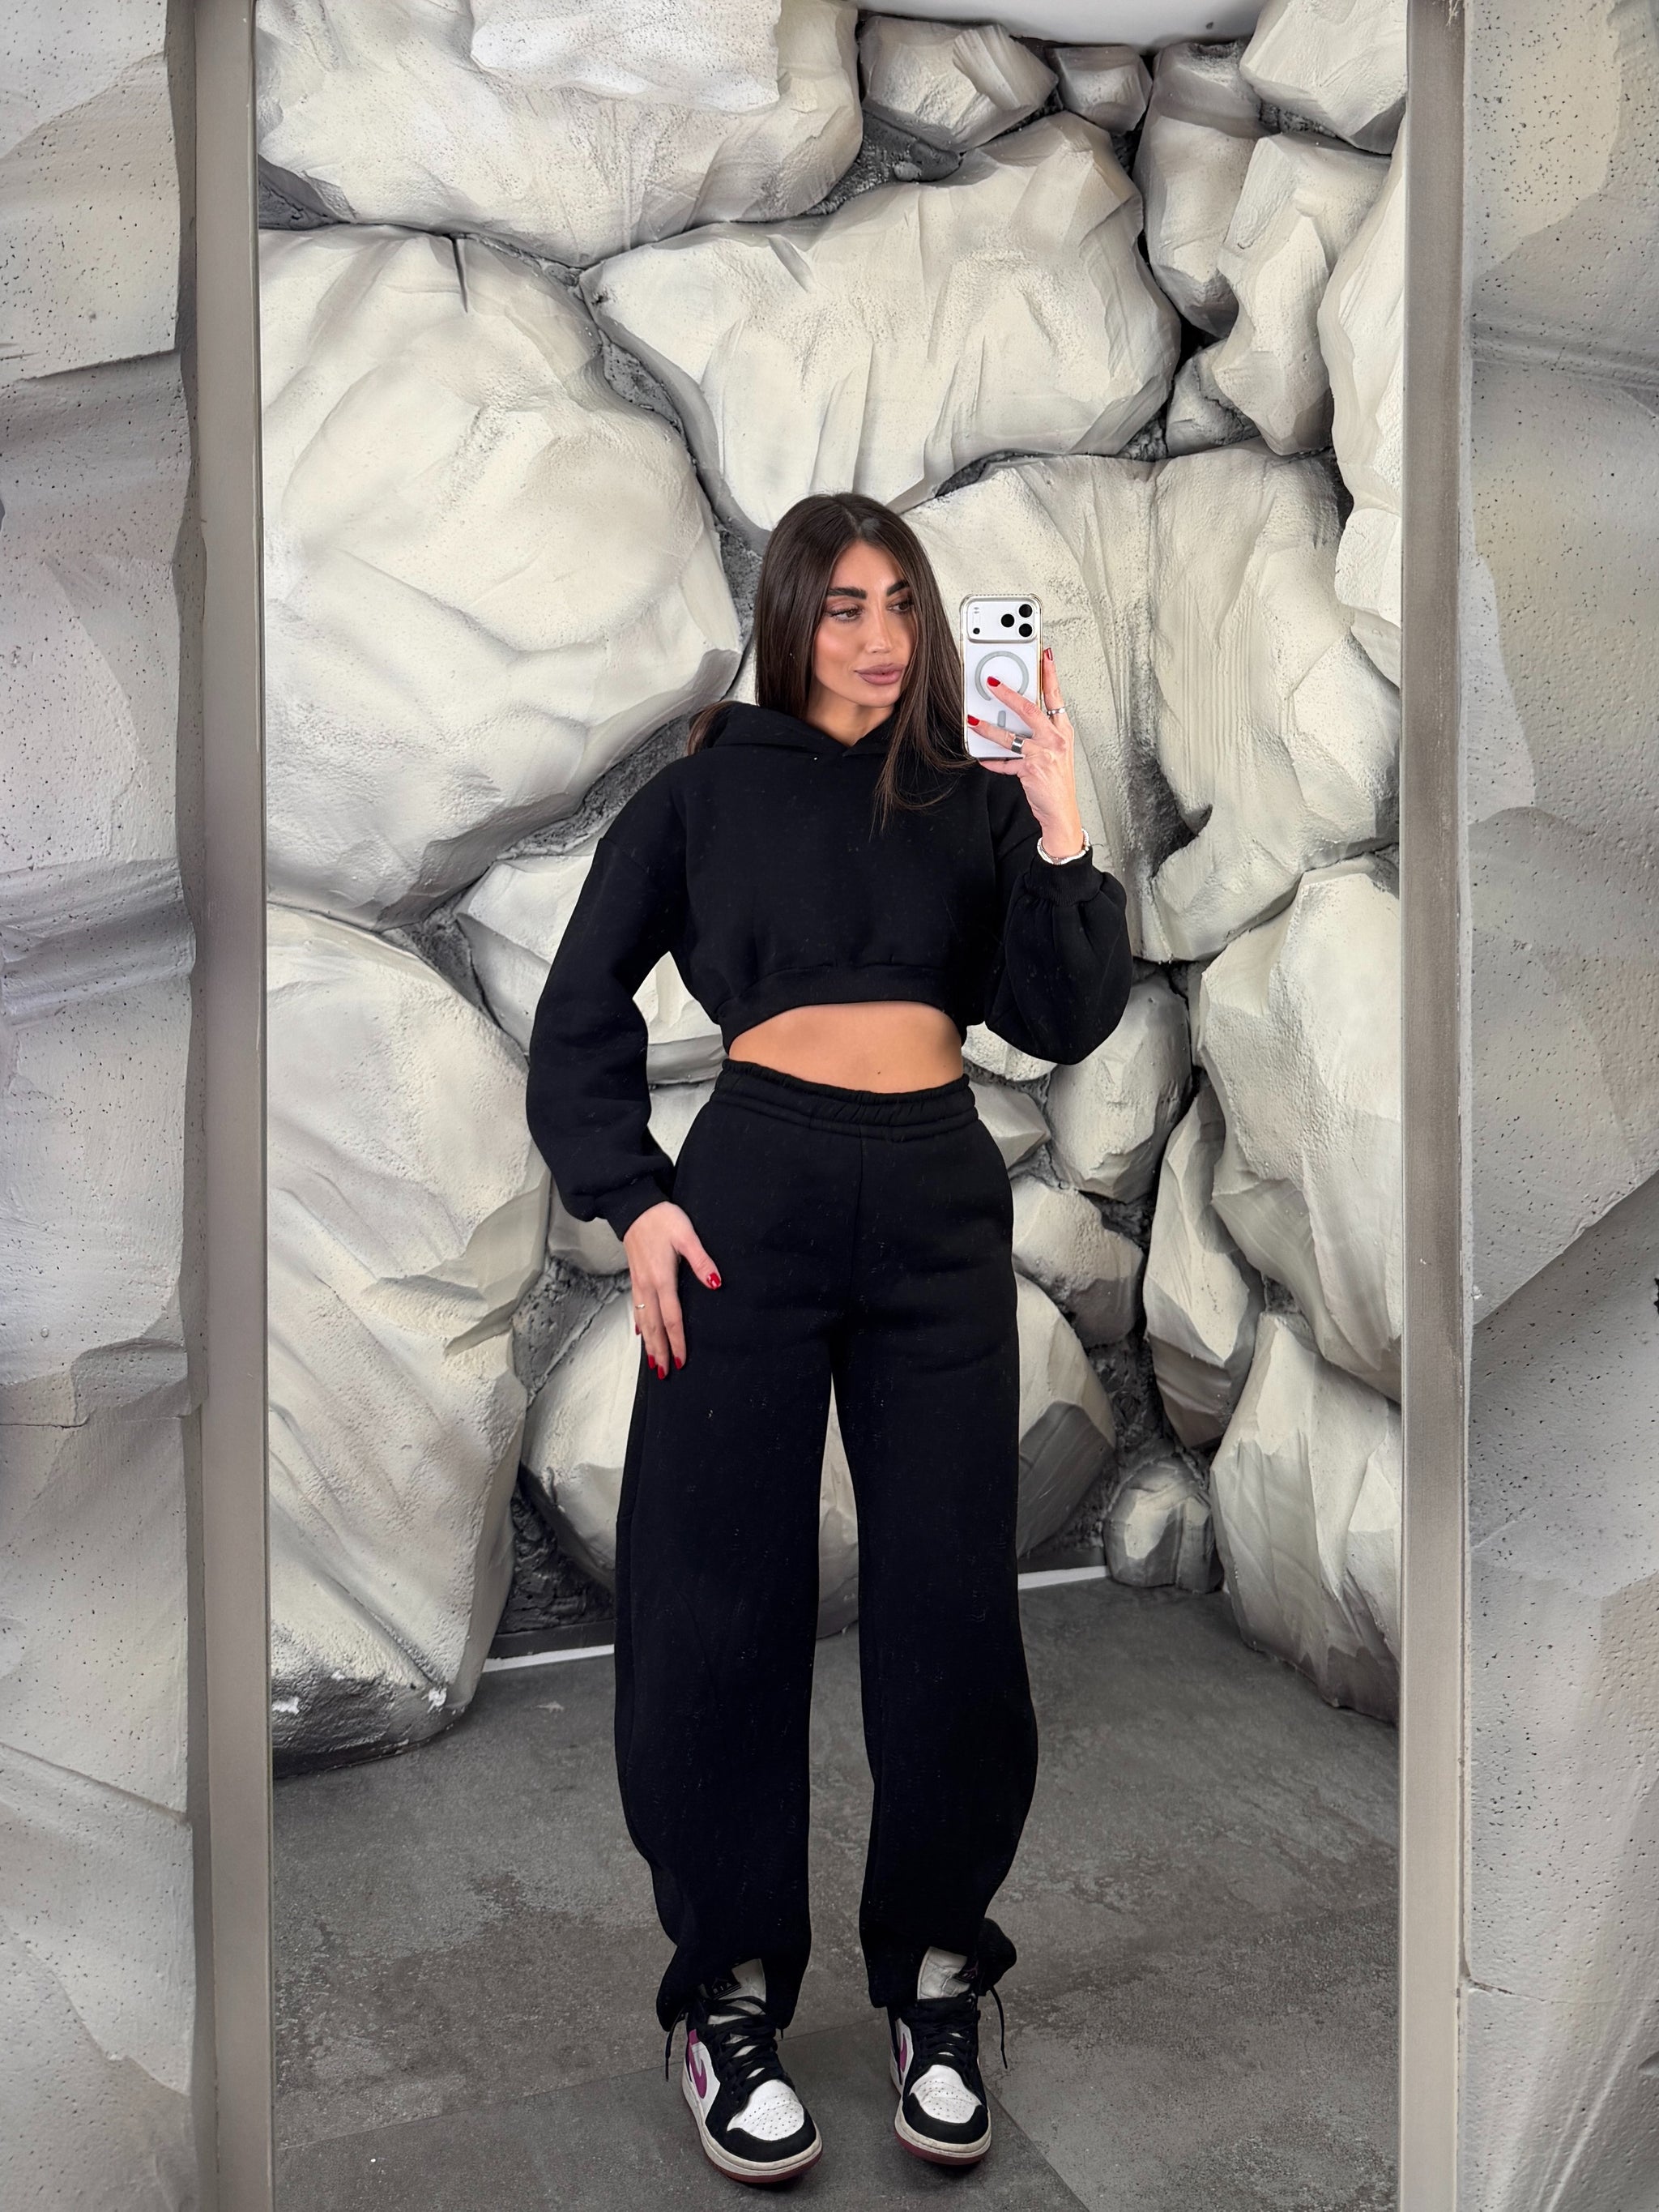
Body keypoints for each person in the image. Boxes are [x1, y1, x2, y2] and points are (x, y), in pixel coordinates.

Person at [526, 492, 1132, 2184]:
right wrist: (636, 1200)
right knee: (715, 1596)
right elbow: (577, 1015)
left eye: (903, 606)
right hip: (754, 1199)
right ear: (789, 618)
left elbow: (1063, 1011)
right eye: (846, 606)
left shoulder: (966, 793)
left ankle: (937, 1980)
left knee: (952, 1598)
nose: (879, 638)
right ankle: (724, 1997)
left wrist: (1057, 816)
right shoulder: (702, 794)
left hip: (936, 1201)